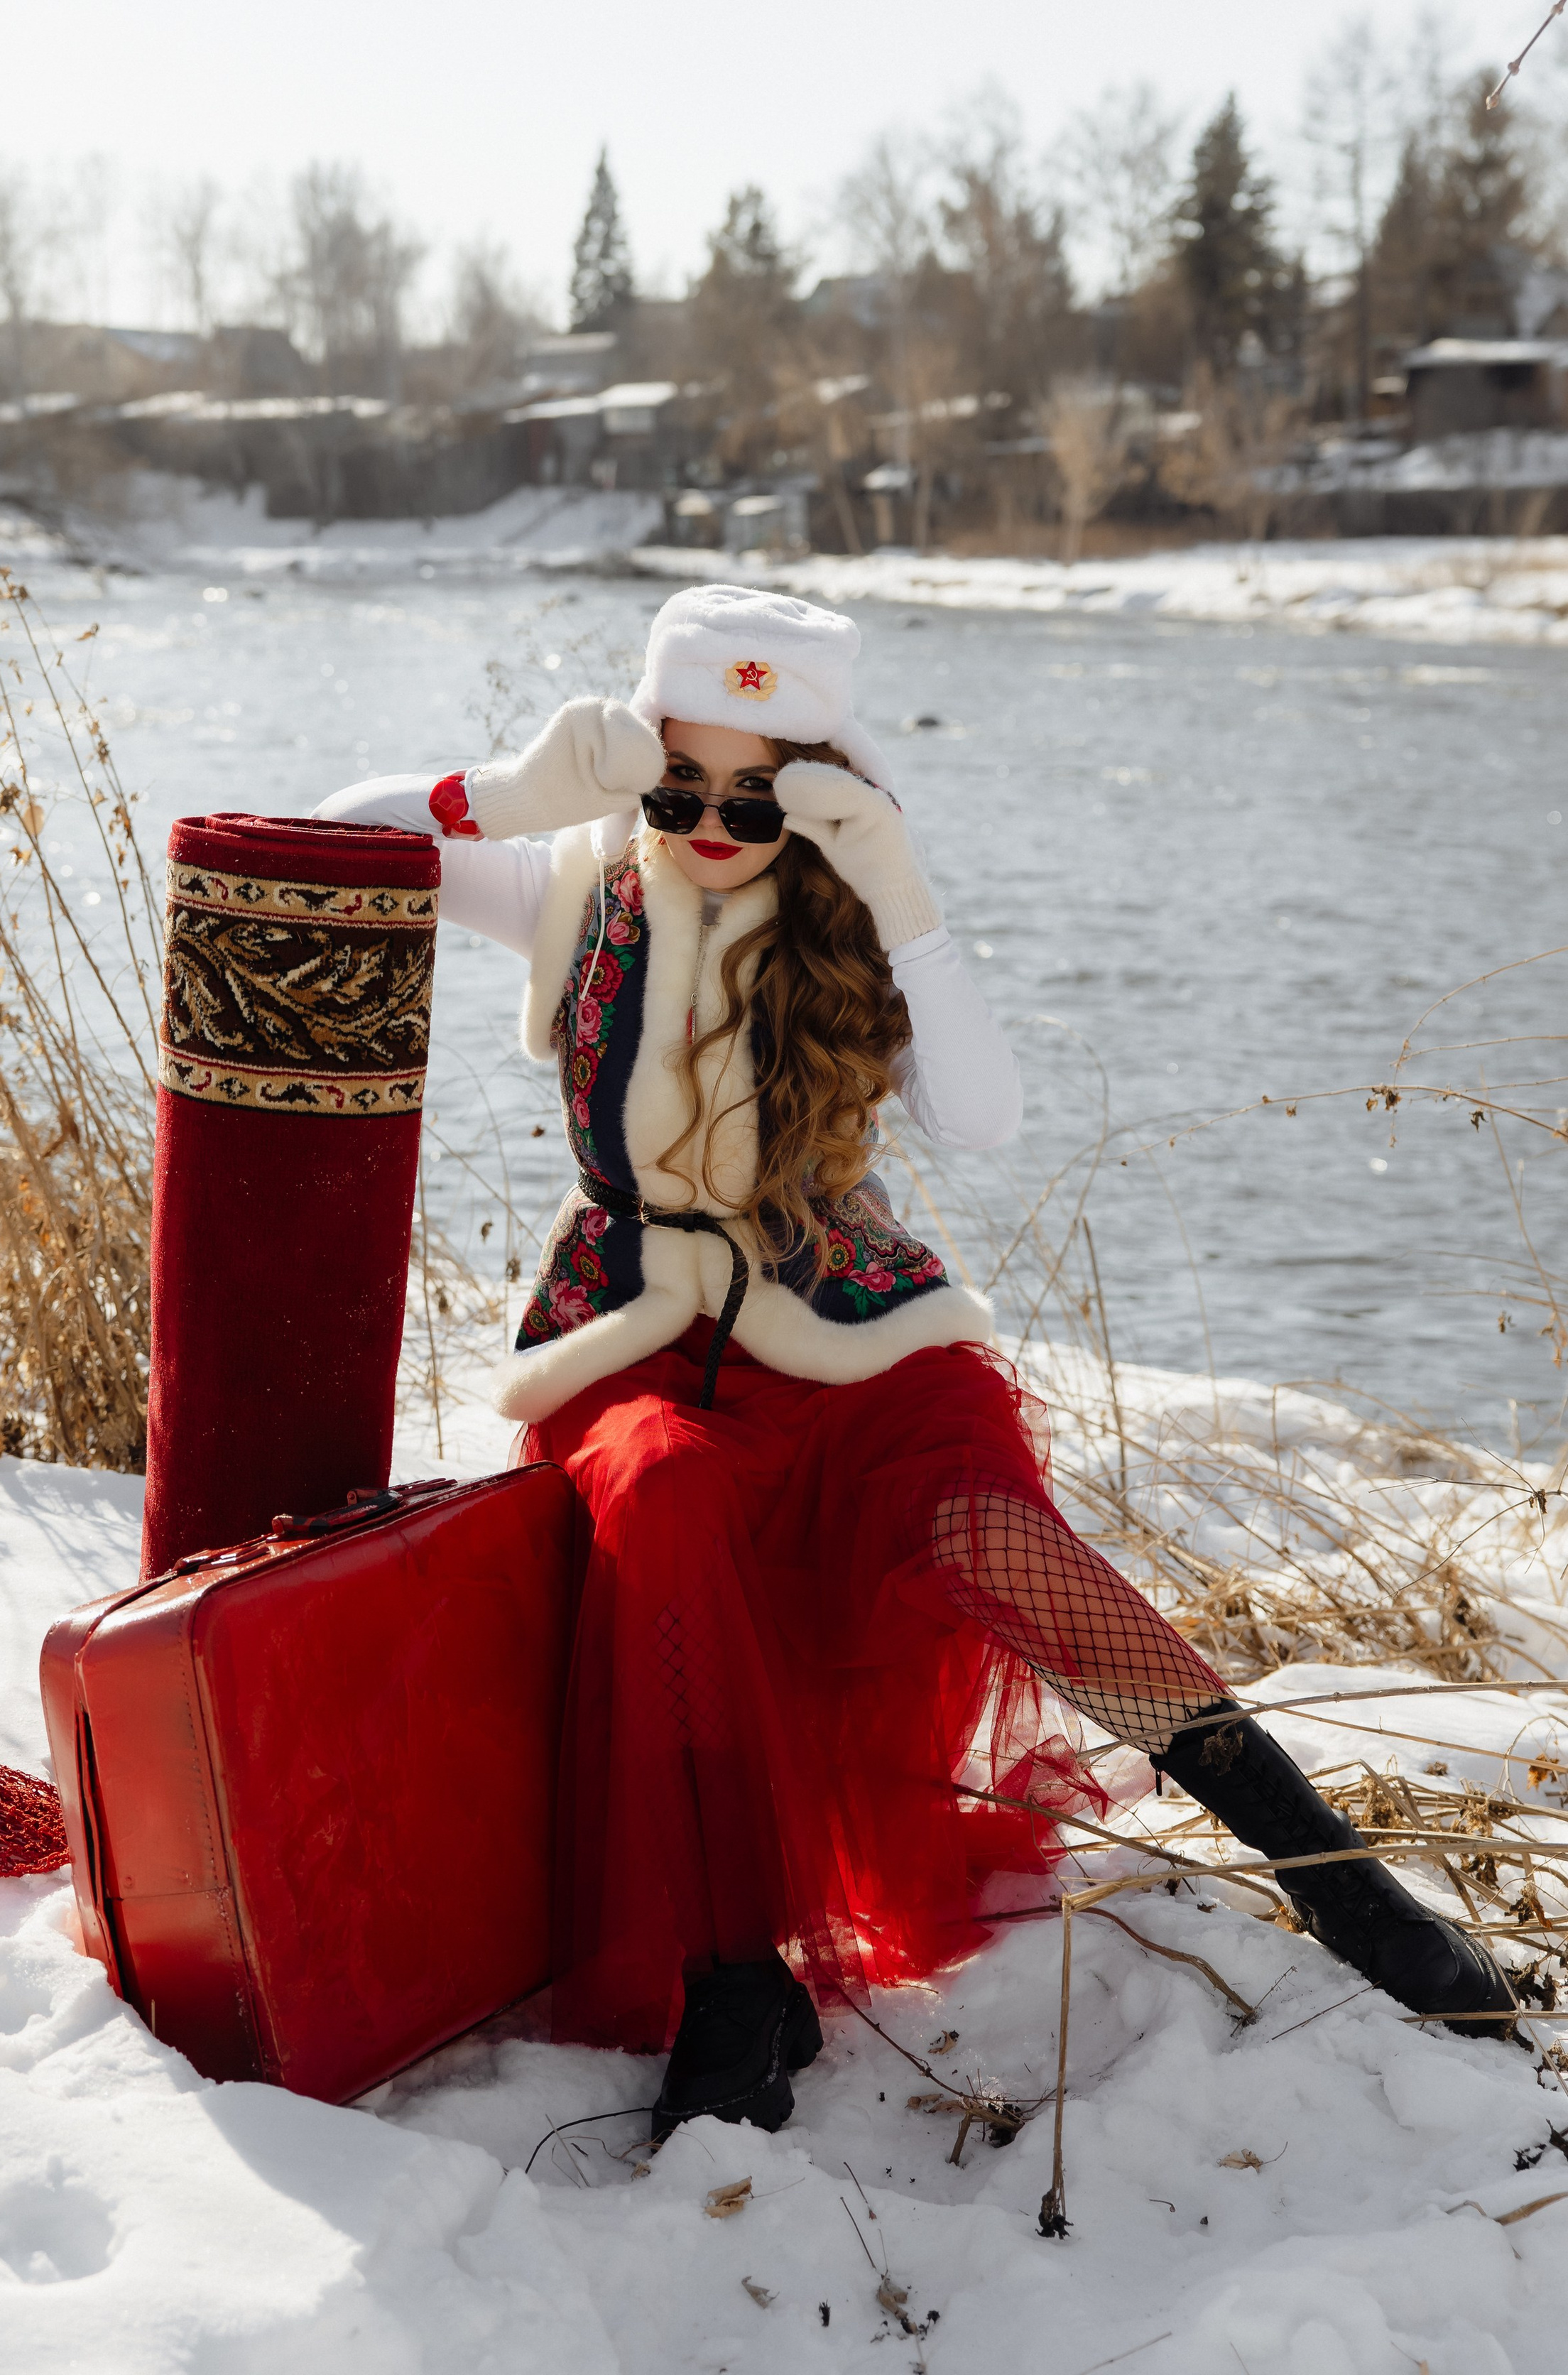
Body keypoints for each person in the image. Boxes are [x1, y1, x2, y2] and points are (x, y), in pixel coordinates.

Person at [319, 582, 1509, 2136]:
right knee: (659, 1505)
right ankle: (738, 1985)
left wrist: (896, 881)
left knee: (994, 1541)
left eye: (756, 790)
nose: (711, 822)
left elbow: (986, 1116)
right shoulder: (576, 883)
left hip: (853, 1350)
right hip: (634, 1349)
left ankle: (1335, 1878)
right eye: (675, 781)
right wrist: (515, 789)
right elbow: (338, 829)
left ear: (820, 784)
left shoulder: (849, 917)